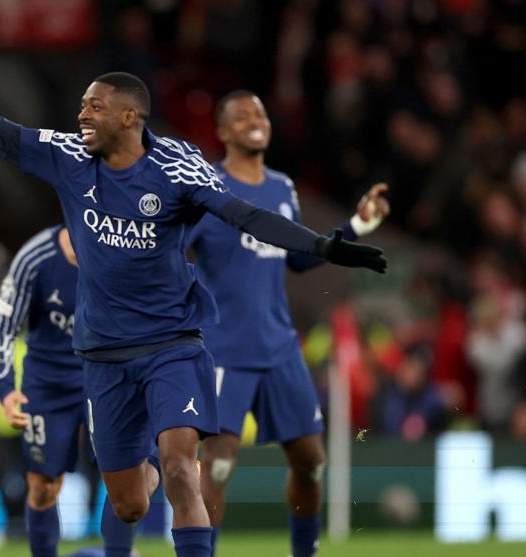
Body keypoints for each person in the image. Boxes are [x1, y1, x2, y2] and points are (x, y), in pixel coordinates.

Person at [0, 16, 385, 557]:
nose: (80, 114)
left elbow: (244, 214)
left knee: (181, 469)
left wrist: (322, 245)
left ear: (130, 117)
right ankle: (142, 473)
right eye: (82, 105)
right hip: (103, 354)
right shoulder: (69, 157)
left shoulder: (177, 167)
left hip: (173, 344)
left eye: (94, 107)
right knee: (128, 502)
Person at [189, 90, 389, 557]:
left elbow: (299, 258)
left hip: (279, 348)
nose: (254, 120)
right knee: (217, 468)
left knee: (311, 463)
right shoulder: (206, 188)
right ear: (222, 132)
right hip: (223, 350)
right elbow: (176, 251)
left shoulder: (282, 187)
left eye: (259, 113)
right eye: (241, 116)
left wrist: (355, 227)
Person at [0, 226, 140, 557]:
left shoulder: (125, 250)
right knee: (43, 487)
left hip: (106, 380)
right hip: (48, 386)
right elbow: (2, 322)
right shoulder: (36, 256)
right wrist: (5, 388)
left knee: (124, 480)